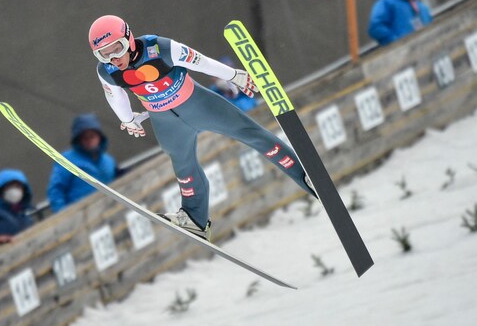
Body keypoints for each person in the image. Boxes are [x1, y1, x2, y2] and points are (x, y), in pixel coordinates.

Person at [88, 15, 316, 241]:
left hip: (199, 104)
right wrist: (127, 119)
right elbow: (114, 96)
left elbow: (201, 62)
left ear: (128, 38)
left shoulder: (159, 47)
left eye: (117, 49)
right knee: (183, 166)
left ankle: (304, 174)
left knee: (250, 133)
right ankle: (195, 219)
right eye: (104, 54)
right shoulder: (106, 71)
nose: (113, 58)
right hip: (165, 122)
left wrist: (233, 76)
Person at [47, 113, 118, 213]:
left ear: (99, 137)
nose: (89, 140)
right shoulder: (67, 160)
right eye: (85, 137)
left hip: (109, 213)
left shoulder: (108, 161)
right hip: (81, 218)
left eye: (92, 136)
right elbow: (56, 191)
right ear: (78, 139)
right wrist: (64, 217)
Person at [368, 0, 433, 46]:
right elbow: (376, 27)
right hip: (403, 55)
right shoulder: (386, 3)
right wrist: (396, 43)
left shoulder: (423, 8)